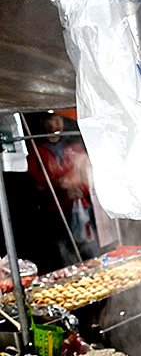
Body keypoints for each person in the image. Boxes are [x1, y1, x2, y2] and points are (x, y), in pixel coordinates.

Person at [26, 112, 98, 269]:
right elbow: (35, 179)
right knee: (64, 253)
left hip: (81, 206)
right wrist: (58, 184)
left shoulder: (75, 146)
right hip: (55, 211)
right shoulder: (36, 149)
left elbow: (86, 173)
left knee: (90, 249)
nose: (57, 123)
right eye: (52, 119)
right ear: (43, 121)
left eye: (59, 119)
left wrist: (80, 190)